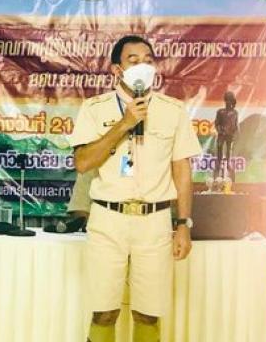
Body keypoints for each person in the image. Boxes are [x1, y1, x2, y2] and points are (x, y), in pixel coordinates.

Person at [70, 35, 201, 342]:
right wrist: (124, 124)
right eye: (133, 60)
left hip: (154, 221)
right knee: (103, 311)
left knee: (148, 313)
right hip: (107, 220)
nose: (143, 65)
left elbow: (182, 170)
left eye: (148, 60)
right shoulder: (95, 108)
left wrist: (183, 224)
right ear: (117, 70)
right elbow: (83, 163)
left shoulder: (172, 110)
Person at [213, 91, 238, 181]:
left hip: (230, 137)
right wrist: (221, 131)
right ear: (225, 100)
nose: (228, 102)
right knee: (219, 156)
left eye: (230, 100)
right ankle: (217, 176)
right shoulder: (220, 112)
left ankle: (230, 176)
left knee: (229, 156)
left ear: (232, 101)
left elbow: (235, 125)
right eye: (227, 100)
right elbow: (217, 123)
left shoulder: (235, 112)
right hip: (221, 136)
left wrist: (234, 133)